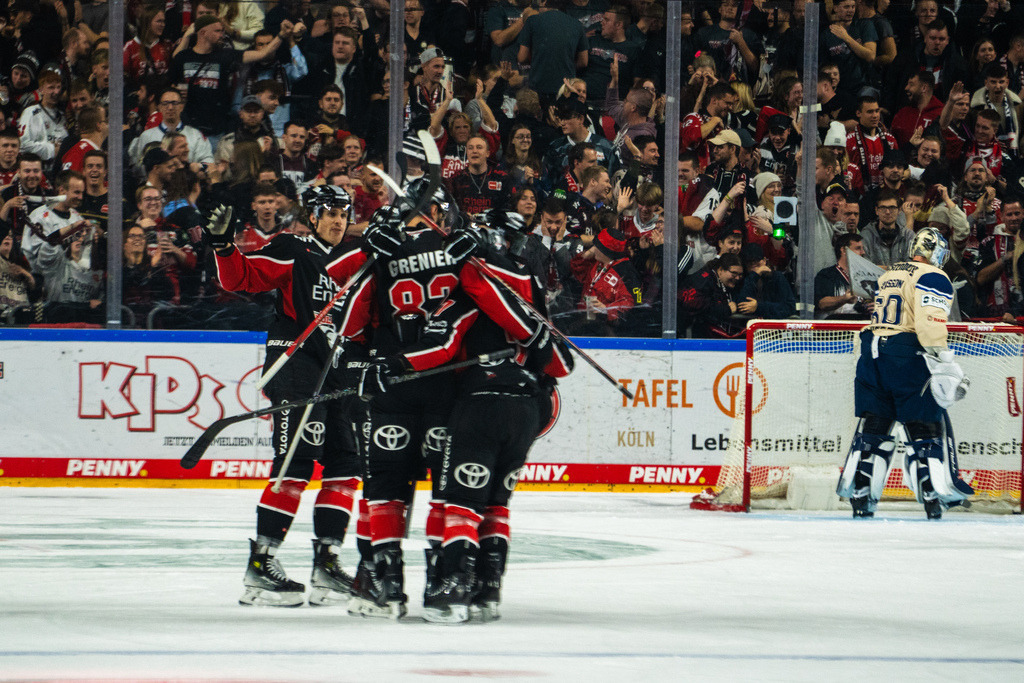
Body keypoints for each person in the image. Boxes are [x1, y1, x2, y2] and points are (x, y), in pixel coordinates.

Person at [208, 185, 365, 606]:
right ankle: (261, 563)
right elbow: (242, 277)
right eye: (329, 212)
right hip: (296, 367)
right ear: (312, 217)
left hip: (338, 375)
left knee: (346, 465)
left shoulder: (354, 261)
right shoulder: (294, 248)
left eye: (343, 213)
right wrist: (224, 246)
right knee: (295, 461)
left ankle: (327, 563)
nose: (337, 220)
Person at [837, 227, 973, 519]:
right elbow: (930, 324)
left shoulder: (891, 273)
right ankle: (933, 493)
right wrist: (944, 359)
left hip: (872, 352)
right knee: (923, 426)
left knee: (876, 425)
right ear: (936, 251)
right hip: (905, 353)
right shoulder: (933, 276)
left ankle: (861, 493)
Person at [677, 252, 744, 338]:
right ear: (720, 270)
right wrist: (726, 309)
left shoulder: (728, 284)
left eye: (740, 274)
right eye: (734, 273)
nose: (737, 278)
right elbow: (694, 304)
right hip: (697, 340)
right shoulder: (703, 280)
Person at [814, 232, 872, 319]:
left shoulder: (867, 276)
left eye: (862, 248)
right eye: (858, 248)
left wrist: (877, 306)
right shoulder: (826, 274)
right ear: (844, 250)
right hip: (836, 328)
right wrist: (844, 298)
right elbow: (822, 304)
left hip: (862, 326)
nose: (863, 252)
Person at [735, 242, 796, 320]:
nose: (754, 263)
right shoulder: (742, 278)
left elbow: (789, 307)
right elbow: (742, 305)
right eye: (750, 262)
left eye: (757, 260)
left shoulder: (777, 277)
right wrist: (754, 275)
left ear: (764, 260)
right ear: (745, 265)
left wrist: (759, 307)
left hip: (774, 327)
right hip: (747, 327)